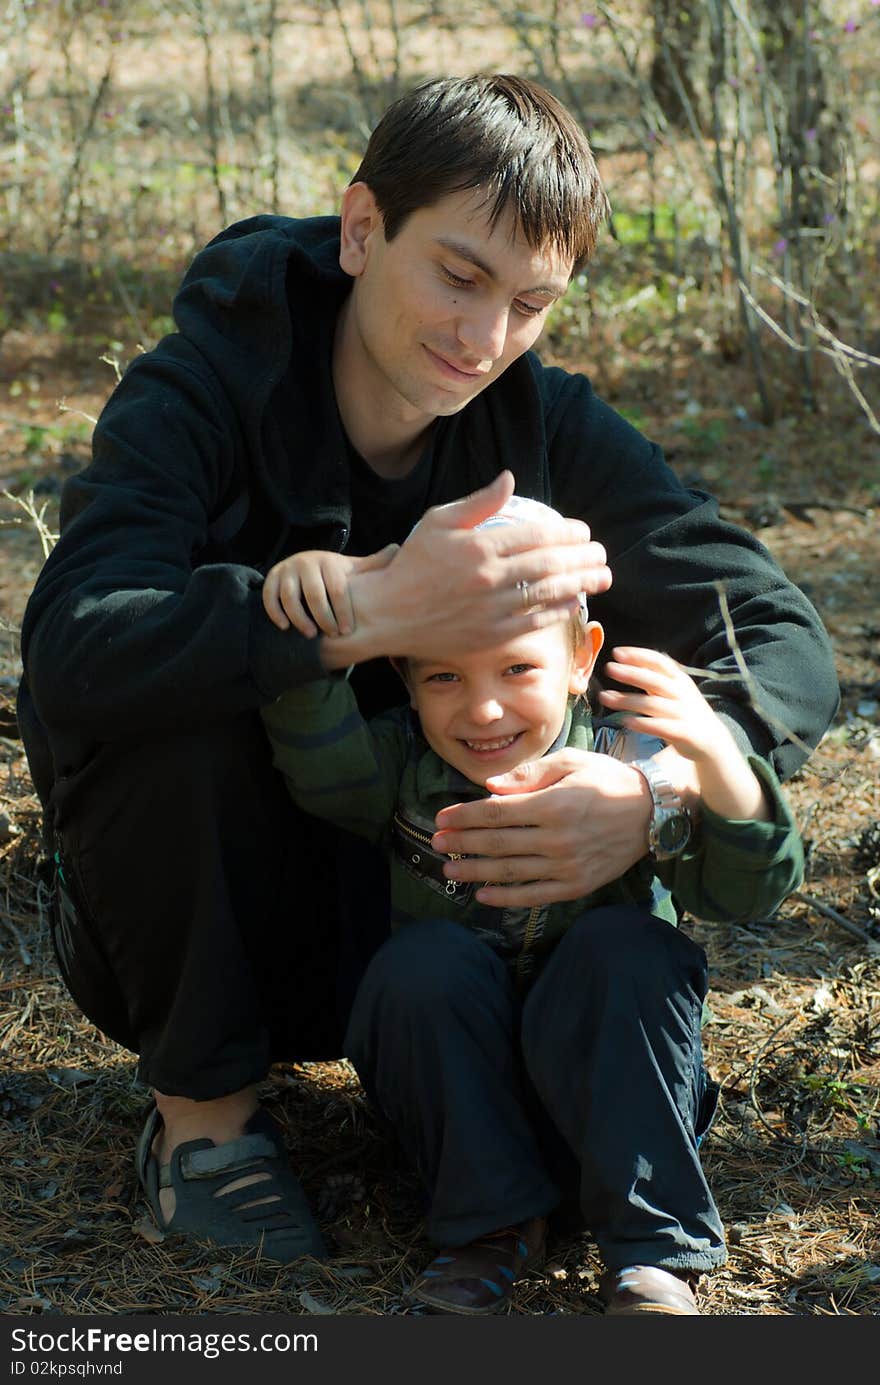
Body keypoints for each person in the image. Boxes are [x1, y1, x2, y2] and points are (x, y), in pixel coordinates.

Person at [15, 73, 837, 1271]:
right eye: (457, 275)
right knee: (175, 688)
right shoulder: (201, 390)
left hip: (443, 942)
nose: (483, 336)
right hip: (204, 928)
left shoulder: (542, 427)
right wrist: (362, 610)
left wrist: (649, 793)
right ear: (361, 230)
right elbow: (76, 640)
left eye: (529, 302)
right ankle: (203, 1132)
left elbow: (772, 626)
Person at [259, 494, 804, 1315]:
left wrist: (717, 762)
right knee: (416, 968)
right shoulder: (399, 770)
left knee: (624, 950)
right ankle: (490, 1230)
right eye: (443, 675)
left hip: (622, 1106)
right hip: (463, 1122)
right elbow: (317, 760)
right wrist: (319, 615)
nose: (482, 709)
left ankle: (653, 1253)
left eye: (518, 669)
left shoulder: (630, 755)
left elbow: (748, 889)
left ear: (582, 656)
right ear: (402, 672)